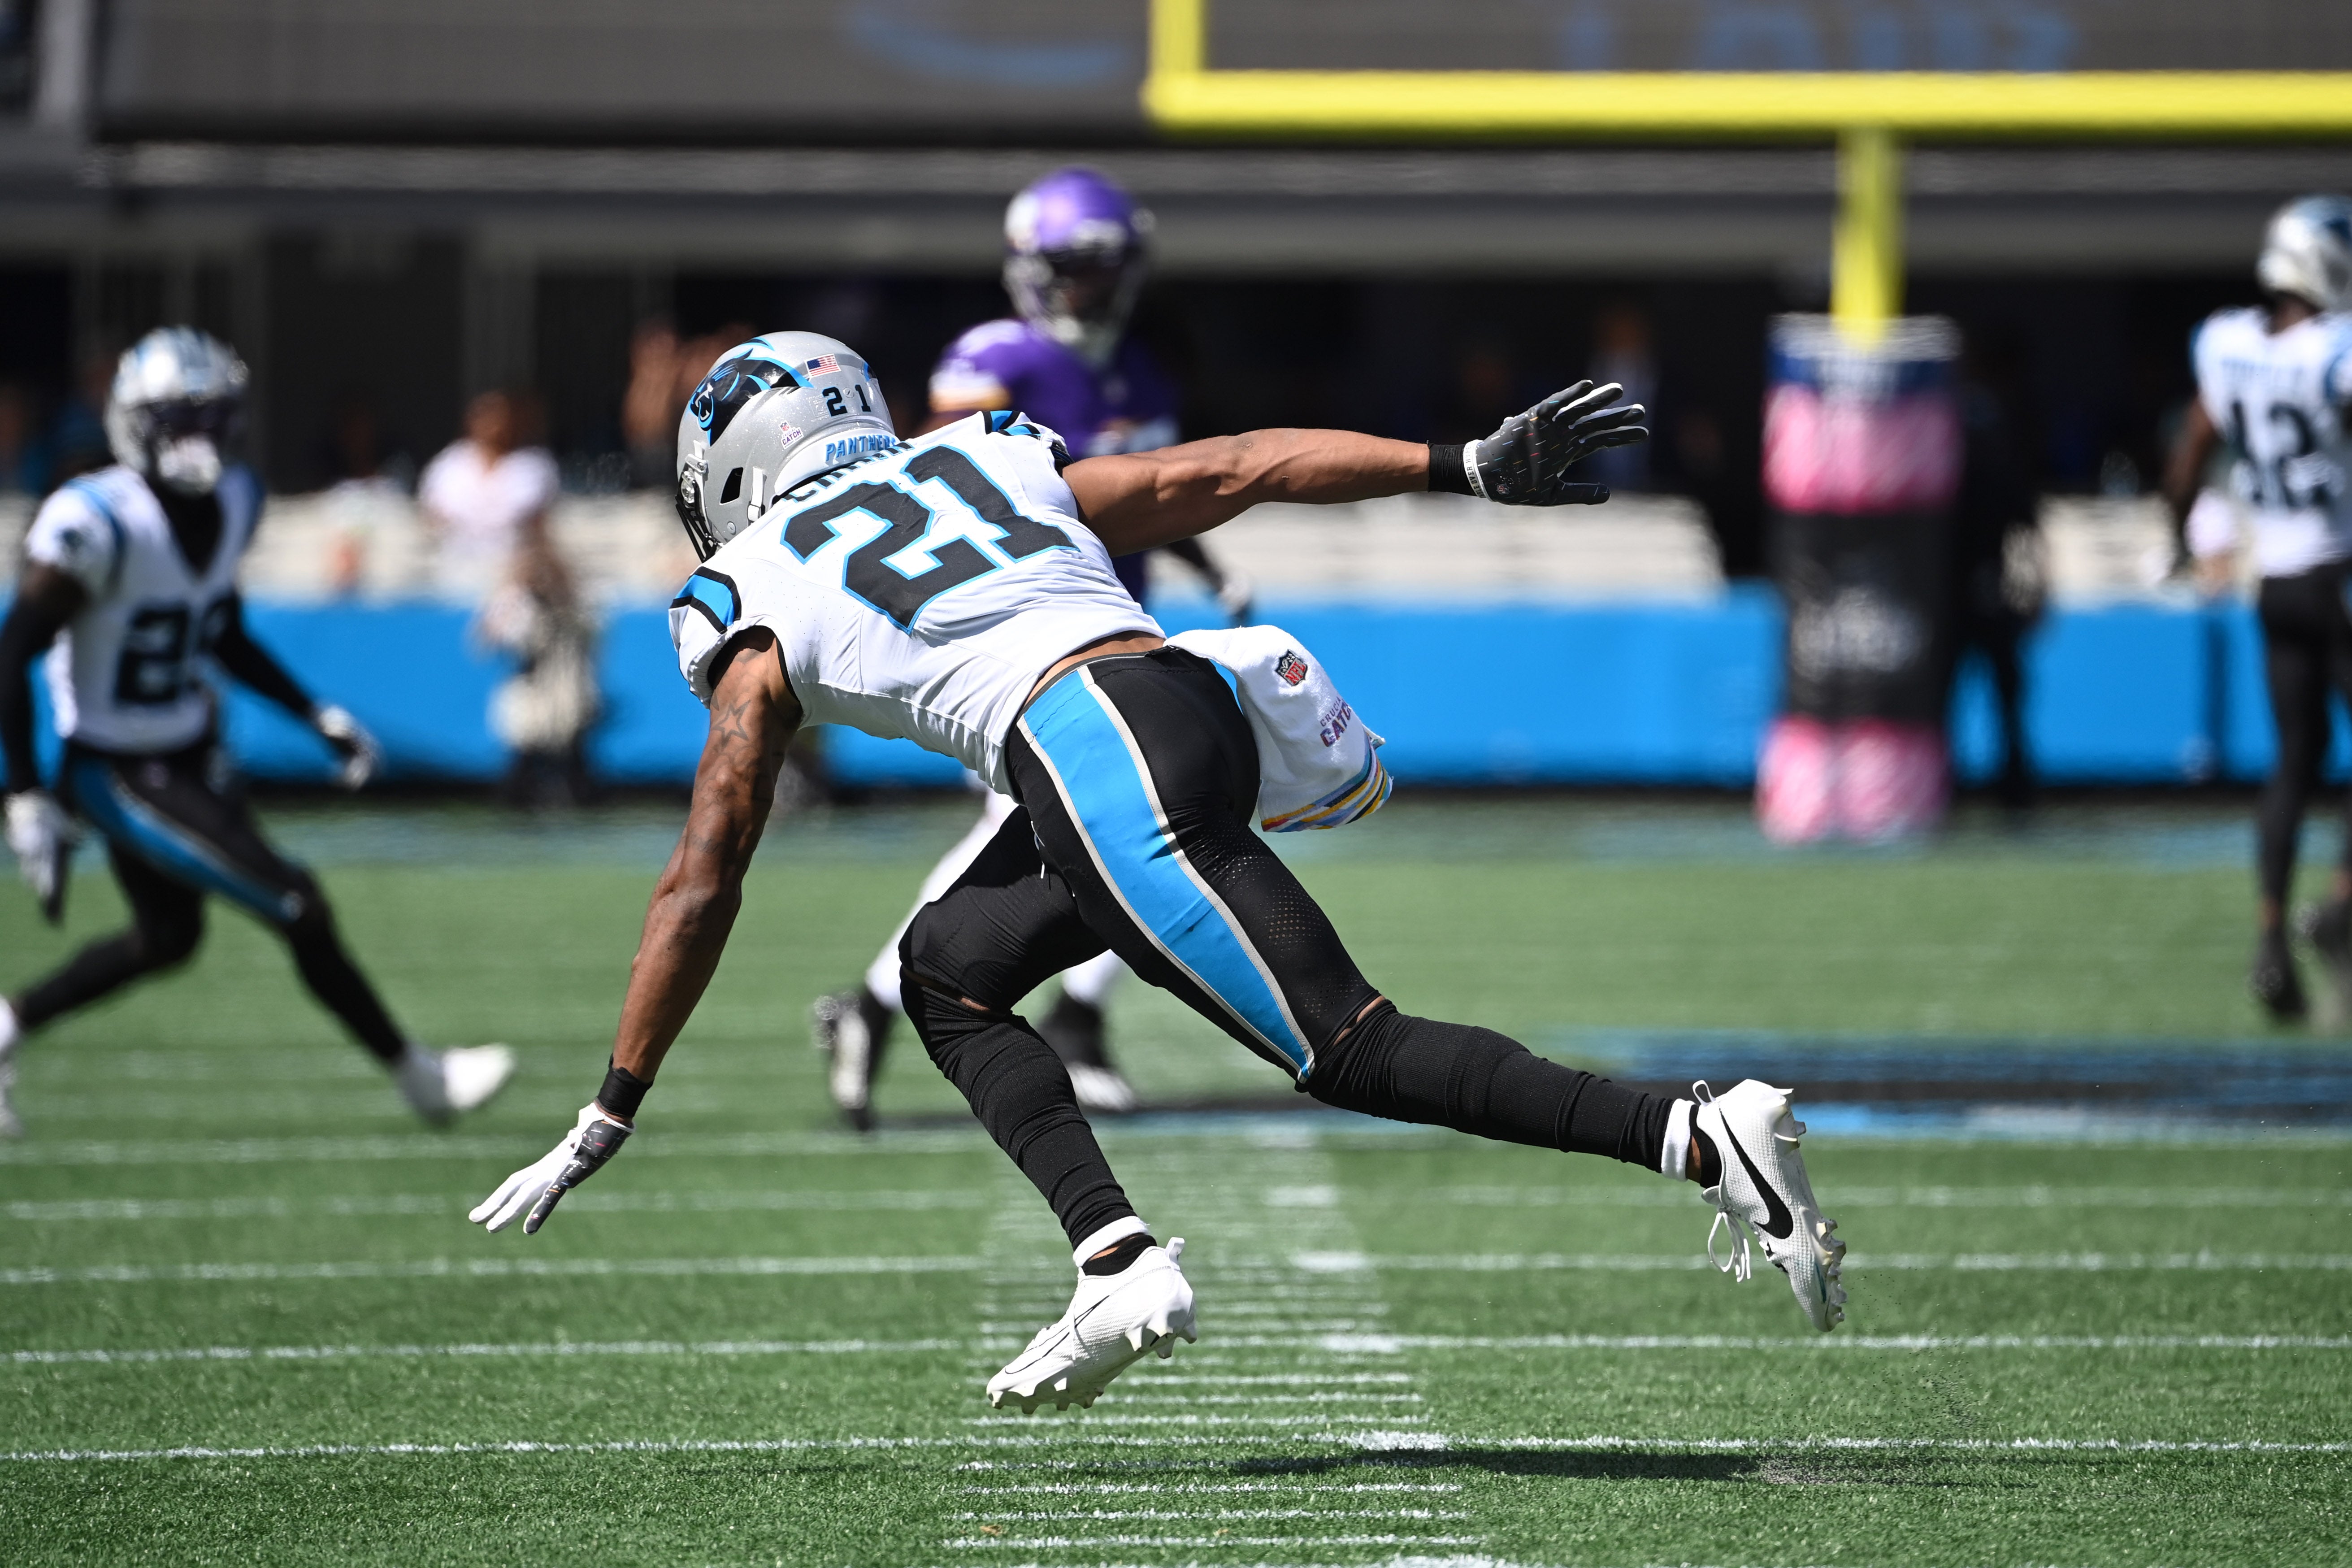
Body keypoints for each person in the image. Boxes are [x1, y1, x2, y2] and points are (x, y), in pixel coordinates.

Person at [468, 329, 1846, 1417]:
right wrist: (1460, 463)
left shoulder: (748, 587)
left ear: (732, 466)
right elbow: (1230, 467)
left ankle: (1690, 1131)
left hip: (1082, 751)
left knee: (1348, 1048)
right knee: (948, 968)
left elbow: (706, 866)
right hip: (1178, 704)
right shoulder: (979, 455)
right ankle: (1115, 1260)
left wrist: (611, 1107)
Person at [811, 167, 1250, 1126]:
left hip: (1112, 629)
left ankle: (910, 1008)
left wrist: (1207, 567)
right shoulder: (992, 355)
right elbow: (951, 492)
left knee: (1112, 832)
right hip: (1022, 642)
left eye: (1103, 266)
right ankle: (905, 1003)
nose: (1089, 285)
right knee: (1107, 832)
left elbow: (1156, 490)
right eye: (1072, 266)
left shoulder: (1136, 370)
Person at [0, 329, 516, 1135]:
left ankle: (7, 1023)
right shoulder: (95, 518)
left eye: (212, 419)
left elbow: (221, 628)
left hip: (185, 750)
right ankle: (418, 1075)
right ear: (137, 423)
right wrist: (26, 791)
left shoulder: (235, 499)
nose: (198, 439)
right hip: (115, 765)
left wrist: (312, 713)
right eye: (180, 419)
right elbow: (13, 649)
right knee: (296, 901)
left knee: (168, 938)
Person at [2165, 194, 2352, 1021]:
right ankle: (2341, 905)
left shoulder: (2228, 344)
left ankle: (2271, 937)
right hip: (2339, 573)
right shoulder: (2334, 351)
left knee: (2293, 759)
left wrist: (2179, 529)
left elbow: (2191, 449)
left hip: (2275, 583)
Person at [417, 389, 561, 599]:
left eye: (500, 416)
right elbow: (432, 519)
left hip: (514, 568)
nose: (493, 424)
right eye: (486, 416)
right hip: (456, 567)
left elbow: (539, 526)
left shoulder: (534, 465)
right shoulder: (449, 465)